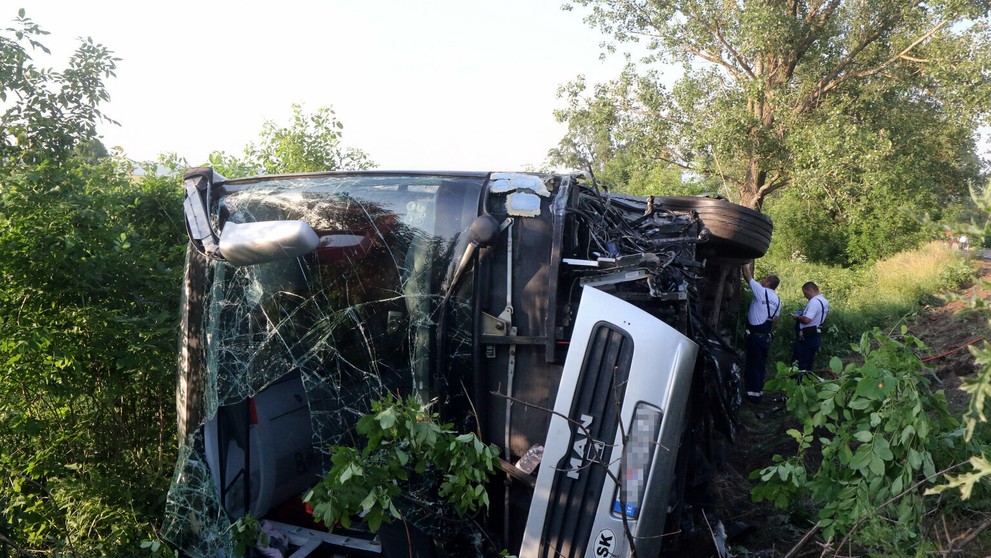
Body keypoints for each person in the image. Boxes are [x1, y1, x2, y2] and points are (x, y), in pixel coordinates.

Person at [742, 264, 780, 404]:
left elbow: (748, 277)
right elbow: (776, 320)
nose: (762, 280)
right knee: (760, 365)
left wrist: (745, 262)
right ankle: (758, 391)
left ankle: (752, 395)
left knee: (752, 364)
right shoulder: (777, 300)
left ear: (768, 282)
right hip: (765, 337)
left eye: (764, 279)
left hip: (755, 336)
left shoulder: (761, 291)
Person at [791, 281, 829, 373]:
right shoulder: (824, 301)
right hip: (815, 334)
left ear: (809, 291)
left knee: (801, 363)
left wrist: (796, 317)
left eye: (805, 293)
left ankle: (798, 384)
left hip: (807, 337)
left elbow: (807, 320)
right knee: (808, 363)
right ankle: (806, 383)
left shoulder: (814, 302)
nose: (805, 296)